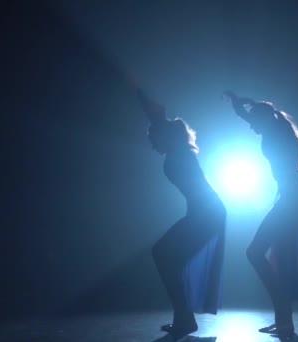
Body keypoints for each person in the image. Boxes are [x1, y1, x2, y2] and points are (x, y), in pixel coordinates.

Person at [131, 79, 226, 340]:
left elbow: (156, 113)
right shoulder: (178, 152)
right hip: (203, 213)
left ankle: (184, 319)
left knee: (162, 253)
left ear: (164, 134)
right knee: (167, 257)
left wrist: (138, 90)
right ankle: (184, 319)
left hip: (208, 213)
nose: (151, 144)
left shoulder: (180, 152)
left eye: (153, 138)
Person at [224, 91, 298, 339]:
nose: (253, 129)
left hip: (293, 201)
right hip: (290, 199)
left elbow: (254, 120)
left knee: (256, 252)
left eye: (255, 124)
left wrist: (244, 106)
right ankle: (284, 321)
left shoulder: (276, 132)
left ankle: (284, 317)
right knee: (274, 259)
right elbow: (251, 119)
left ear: (264, 120)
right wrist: (241, 104)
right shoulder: (274, 128)